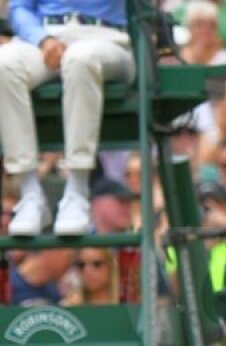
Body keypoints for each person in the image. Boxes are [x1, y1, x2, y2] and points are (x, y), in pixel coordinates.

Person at [0, 0, 136, 236]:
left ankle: (78, 190)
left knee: (80, 59)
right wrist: (42, 39)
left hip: (107, 36)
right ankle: (29, 193)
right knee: (4, 65)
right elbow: (19, 7)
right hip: (45, 37)